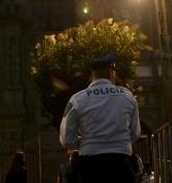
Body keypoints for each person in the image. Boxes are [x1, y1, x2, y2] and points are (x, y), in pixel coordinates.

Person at [59, 53, 141, 183]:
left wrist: (88, 141)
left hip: (90, 169)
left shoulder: (77, 99)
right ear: (111, 72)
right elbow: (135, 133)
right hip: (121, 166)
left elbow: (67, 140)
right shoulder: (128, 96)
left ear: (92, 74)